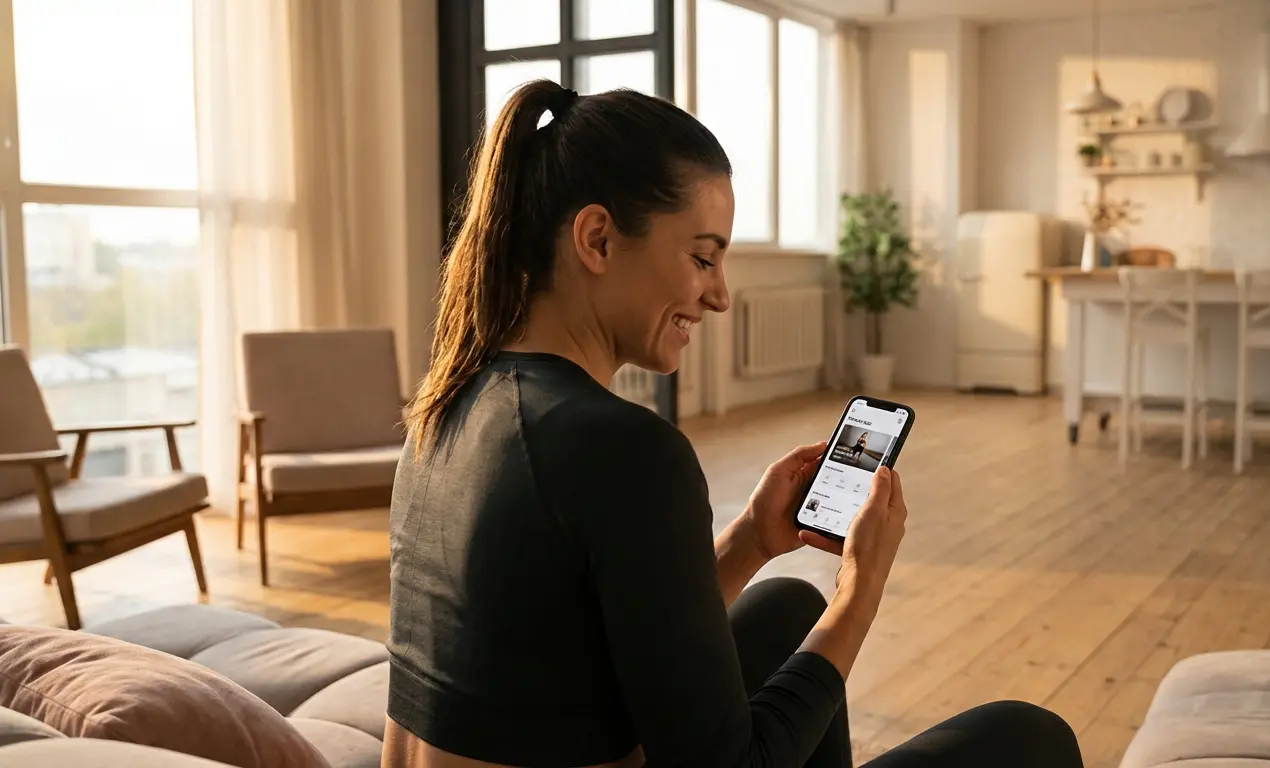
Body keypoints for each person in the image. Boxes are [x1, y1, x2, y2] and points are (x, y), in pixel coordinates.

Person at [380, 80, 1084, 768]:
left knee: (783, 608)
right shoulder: (624, 449)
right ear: (597, 239)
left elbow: (582, 652)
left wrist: (750, 539)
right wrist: (862, 590)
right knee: (1028, 736)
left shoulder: (447, 408)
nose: (718, 295)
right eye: (701, 257)